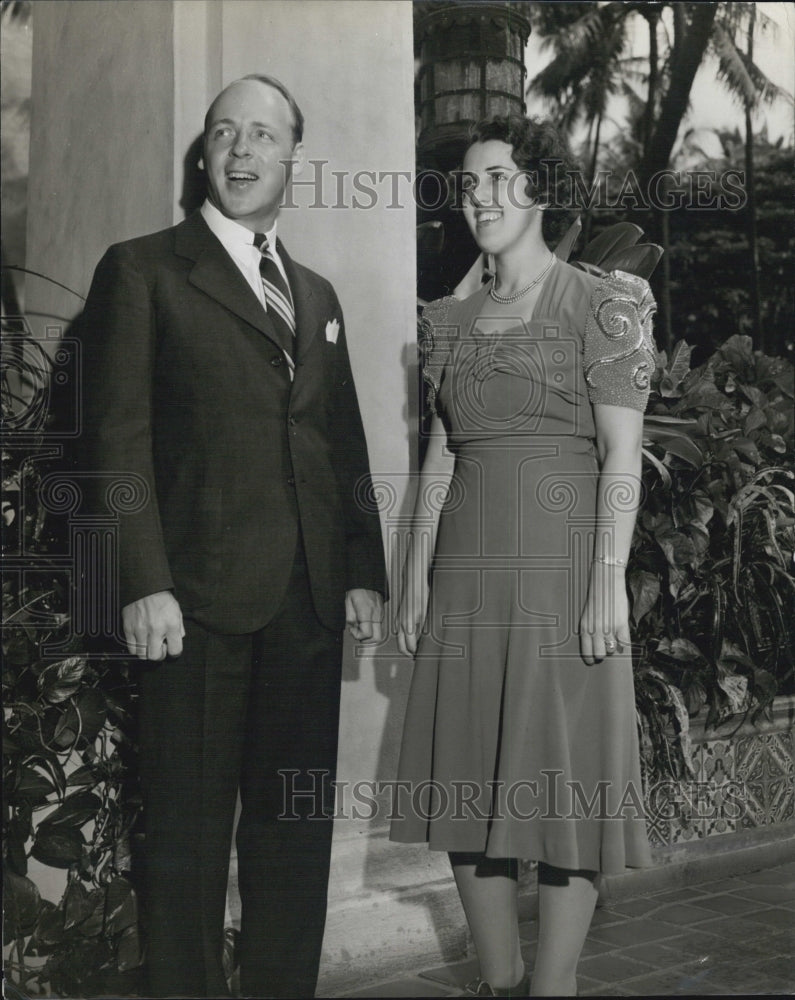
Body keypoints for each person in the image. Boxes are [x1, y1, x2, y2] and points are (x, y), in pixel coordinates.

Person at [79, 75, 386, 998]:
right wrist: (140, 581)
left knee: (292, 841)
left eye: (263, 134)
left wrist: (362, 569)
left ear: (294, 156)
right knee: (185, 847)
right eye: (224, 133)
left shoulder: (316, 291)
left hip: (305, 608)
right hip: (194, 608)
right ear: (202, 155)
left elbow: (340, 441)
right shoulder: (142, 270)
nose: (242, 150)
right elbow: (115, 441)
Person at [391, 115, 655, 997]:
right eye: (468, 185)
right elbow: (440, 451)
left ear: (540, 190)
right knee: (468, 785)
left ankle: (554, 988)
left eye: (499, 179)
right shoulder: (449, 319)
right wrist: (416, 571)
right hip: (465, 582)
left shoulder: (601, 303)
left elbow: (622, 453)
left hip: (562, 578)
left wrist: (606, 580)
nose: (481, 200)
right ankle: (496, 982)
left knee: (562, 795)